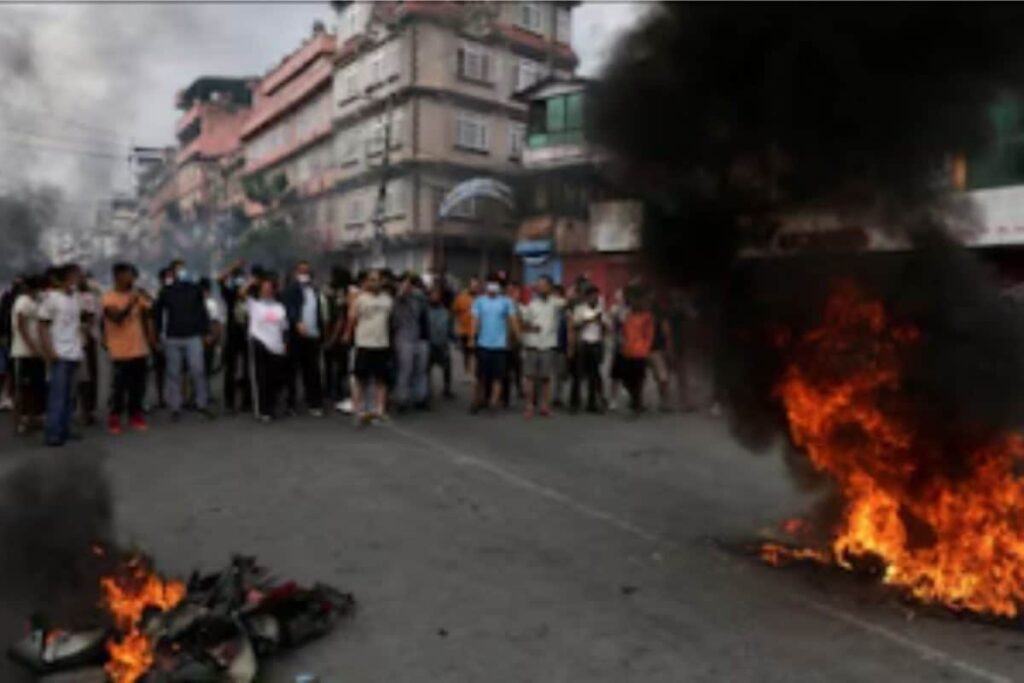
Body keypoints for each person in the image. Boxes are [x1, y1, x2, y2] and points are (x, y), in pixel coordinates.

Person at [152, 260, 213, 421]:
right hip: (173, 337)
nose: (182, 272)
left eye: (183, 269)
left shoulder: (195, 289)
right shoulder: (166, 291)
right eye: (178, 270)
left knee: (198, 370)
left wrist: (206, 332)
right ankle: (175, 406)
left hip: (193, 336)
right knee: (174, 373)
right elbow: (157, 315)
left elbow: (202, 312)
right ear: (172, 273)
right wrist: (157, 335)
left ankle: (202, 403)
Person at [102, 262, 154, 434]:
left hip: (139, 348)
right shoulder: (109, 297)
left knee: (137, 386)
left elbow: (151, 311)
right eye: (129, 275)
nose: (132, 279)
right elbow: (116, 318)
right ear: (118, 277)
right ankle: (115, 417)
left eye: (133, 275)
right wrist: (132, 302)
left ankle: (135, 414)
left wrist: (147, 297)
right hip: (119, 350)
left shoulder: (137, 296)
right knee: (119, 387)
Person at [37, 264, 84, 446]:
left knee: (69, 396)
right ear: (66, 278)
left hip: (74, 353)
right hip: (59, 354)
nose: (78, 280)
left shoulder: (75, 298)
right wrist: (49, 351)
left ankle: (65, 429)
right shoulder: (51, 299)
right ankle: (53, 434)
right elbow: (42, 326)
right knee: (57, 396)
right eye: (75, 276)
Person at [345, 270, 393, 424]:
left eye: (377, 280)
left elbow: (390, 321)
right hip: (364, 343)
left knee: (381, 380)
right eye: (371, 280)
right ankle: (358, 410)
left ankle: (379, 410)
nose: (375, 283)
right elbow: (352, 319)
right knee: (360, 379)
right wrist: (348, 334)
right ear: (366, 282)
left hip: (382, 344)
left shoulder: (387, 300)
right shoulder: (360, 299)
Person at [282, 260, 325, 417]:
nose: (304, 275)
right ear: (295, 273)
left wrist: (321, 331)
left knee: (312, 371)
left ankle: (314, 402)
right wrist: (297, 322)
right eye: (301, 271)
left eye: (306, 272)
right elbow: (289, 308)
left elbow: (318, 311)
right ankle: (291, 404)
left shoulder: (314, 290)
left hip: (312, 335)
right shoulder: (290, 289)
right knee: (292, 371)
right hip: (296, 335)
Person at [469, 278, 519, 413]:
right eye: (490, 284)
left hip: (500, 345)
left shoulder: (506, 302)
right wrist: (472, 337)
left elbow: (512, 320)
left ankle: (493, 402)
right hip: (483, 344)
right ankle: (477, 400)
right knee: (480, 376)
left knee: (498, 376)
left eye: (495, 285)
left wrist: (517, 336)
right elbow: (475, 320)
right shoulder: (479, 301)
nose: (492, 287)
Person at [247, 274, 289, 422]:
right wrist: (252, 282)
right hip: (259, 342)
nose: (268, 291)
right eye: (264, 288)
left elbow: (283, 327)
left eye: (270, 288)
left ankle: (272, 406)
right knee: (261, 378)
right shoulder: (253, 304)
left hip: (276, 345)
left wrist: (284, 343)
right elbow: (242, 293)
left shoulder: (279, 307)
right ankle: (262, 410)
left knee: (275, 379)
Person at [520, 275, 562, 418]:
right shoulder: (531, 304)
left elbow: (570, 301)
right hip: (532, 344)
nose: (541, 287)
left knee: (546, 378)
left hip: (548, 345)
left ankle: (545, 406)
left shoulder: (555, 303)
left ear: (550, 287)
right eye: (539, 285)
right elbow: (523, 324)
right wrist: (531, 327)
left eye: (544, 285)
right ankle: (529, 406)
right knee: (530, 377)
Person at [10, 275, 45, 434]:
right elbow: (20, 325)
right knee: (23, 388)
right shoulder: (23, 301)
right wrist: (31, 346)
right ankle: (21, 421)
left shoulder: (33, 302)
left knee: (35, 387)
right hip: (24, 352)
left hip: (35, 352)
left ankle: (33, 417)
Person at [216, 260, 251, 414]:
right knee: (231, 369)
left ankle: (247, 401)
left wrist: (250, 281)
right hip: (232, 335)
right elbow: (219, 280)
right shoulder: (230, 295)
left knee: (248, 368)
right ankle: (230, 402)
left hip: (248, 335)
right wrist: (232, 267)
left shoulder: (252, 297)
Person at [391, 273, 430, 412]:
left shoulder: (419, 298)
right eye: (405, 283)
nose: (408, 286)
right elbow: (399, 298)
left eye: (410, 283)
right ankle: (402, 399)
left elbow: (425, 311)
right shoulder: (397, 299)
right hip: (404, 337)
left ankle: (420, 398)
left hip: (420, 337)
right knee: (405, 370)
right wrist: (402, 289)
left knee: (421, 370)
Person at [570, 283, 606, 413]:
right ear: (586, 297)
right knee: (578, 375)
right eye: (591, 295)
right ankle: (574, 403)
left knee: (594, 375)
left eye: (596, 295)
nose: (593, 298)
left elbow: (607, 327)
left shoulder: (601, 309)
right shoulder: (580, 309)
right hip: (583, 344)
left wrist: (601, 322)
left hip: (596, 344)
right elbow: (574, 325)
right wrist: (587, 321)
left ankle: (592, 403)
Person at [620, 292, 656, 413]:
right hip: (628, 351)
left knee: (639, 378)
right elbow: (624, 332)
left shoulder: (647, 317)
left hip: (640, 352)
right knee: (626, 379)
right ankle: (635, 399)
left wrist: (646, 348)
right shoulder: (628, 316)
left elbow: (649, 335)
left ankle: (637, 402)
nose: (635, 304)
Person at [324, 266, 353, 414]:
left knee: (338, 365)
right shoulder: (347, 292)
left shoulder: (342, 294)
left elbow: (340, 318)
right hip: (343, 334)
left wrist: (332, 338)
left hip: (340, 335)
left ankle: (336, 392)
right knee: (340, 365)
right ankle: (335, 391)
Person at [77, 275, 100, 425]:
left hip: (86, 339)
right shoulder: (86, 298)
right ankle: (87, 409)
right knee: (87, 376)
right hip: (85, 340)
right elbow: (89, 318)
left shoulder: (86, 297)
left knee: (87, 376)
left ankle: (87, 409)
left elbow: (91, 317)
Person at [426, 285, 454, 400]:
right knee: (426, 370)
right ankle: (426, 391)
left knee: (447, 367)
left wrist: (454, 339)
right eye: (433, 295)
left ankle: (446, 389)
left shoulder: (446, 312)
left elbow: (450, 328)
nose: (435, 297)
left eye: (437, 295)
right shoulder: (425, 310)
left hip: (442, 345)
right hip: (429, 344)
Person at [200, 277, 224, 405]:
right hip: (207, 338)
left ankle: (203, 394)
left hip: (205, 338)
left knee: (203, 368)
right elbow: (218, 323)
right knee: (205, 368)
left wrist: (216, 339)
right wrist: (218, 339)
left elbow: (217, 323)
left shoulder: (210, 303)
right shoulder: (212, 303)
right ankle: (204, 394)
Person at [451, 277, 480, 377]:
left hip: (477, 330)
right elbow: (454, 311)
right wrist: (458, 324)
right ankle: (467, 372)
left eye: (476, 285)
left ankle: (476, 372)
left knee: (477, 353)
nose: (474, 287)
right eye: (473, 285)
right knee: (467, 352)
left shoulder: (481, 298)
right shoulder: (461, 297)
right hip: (464, 330)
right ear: (469, 286)